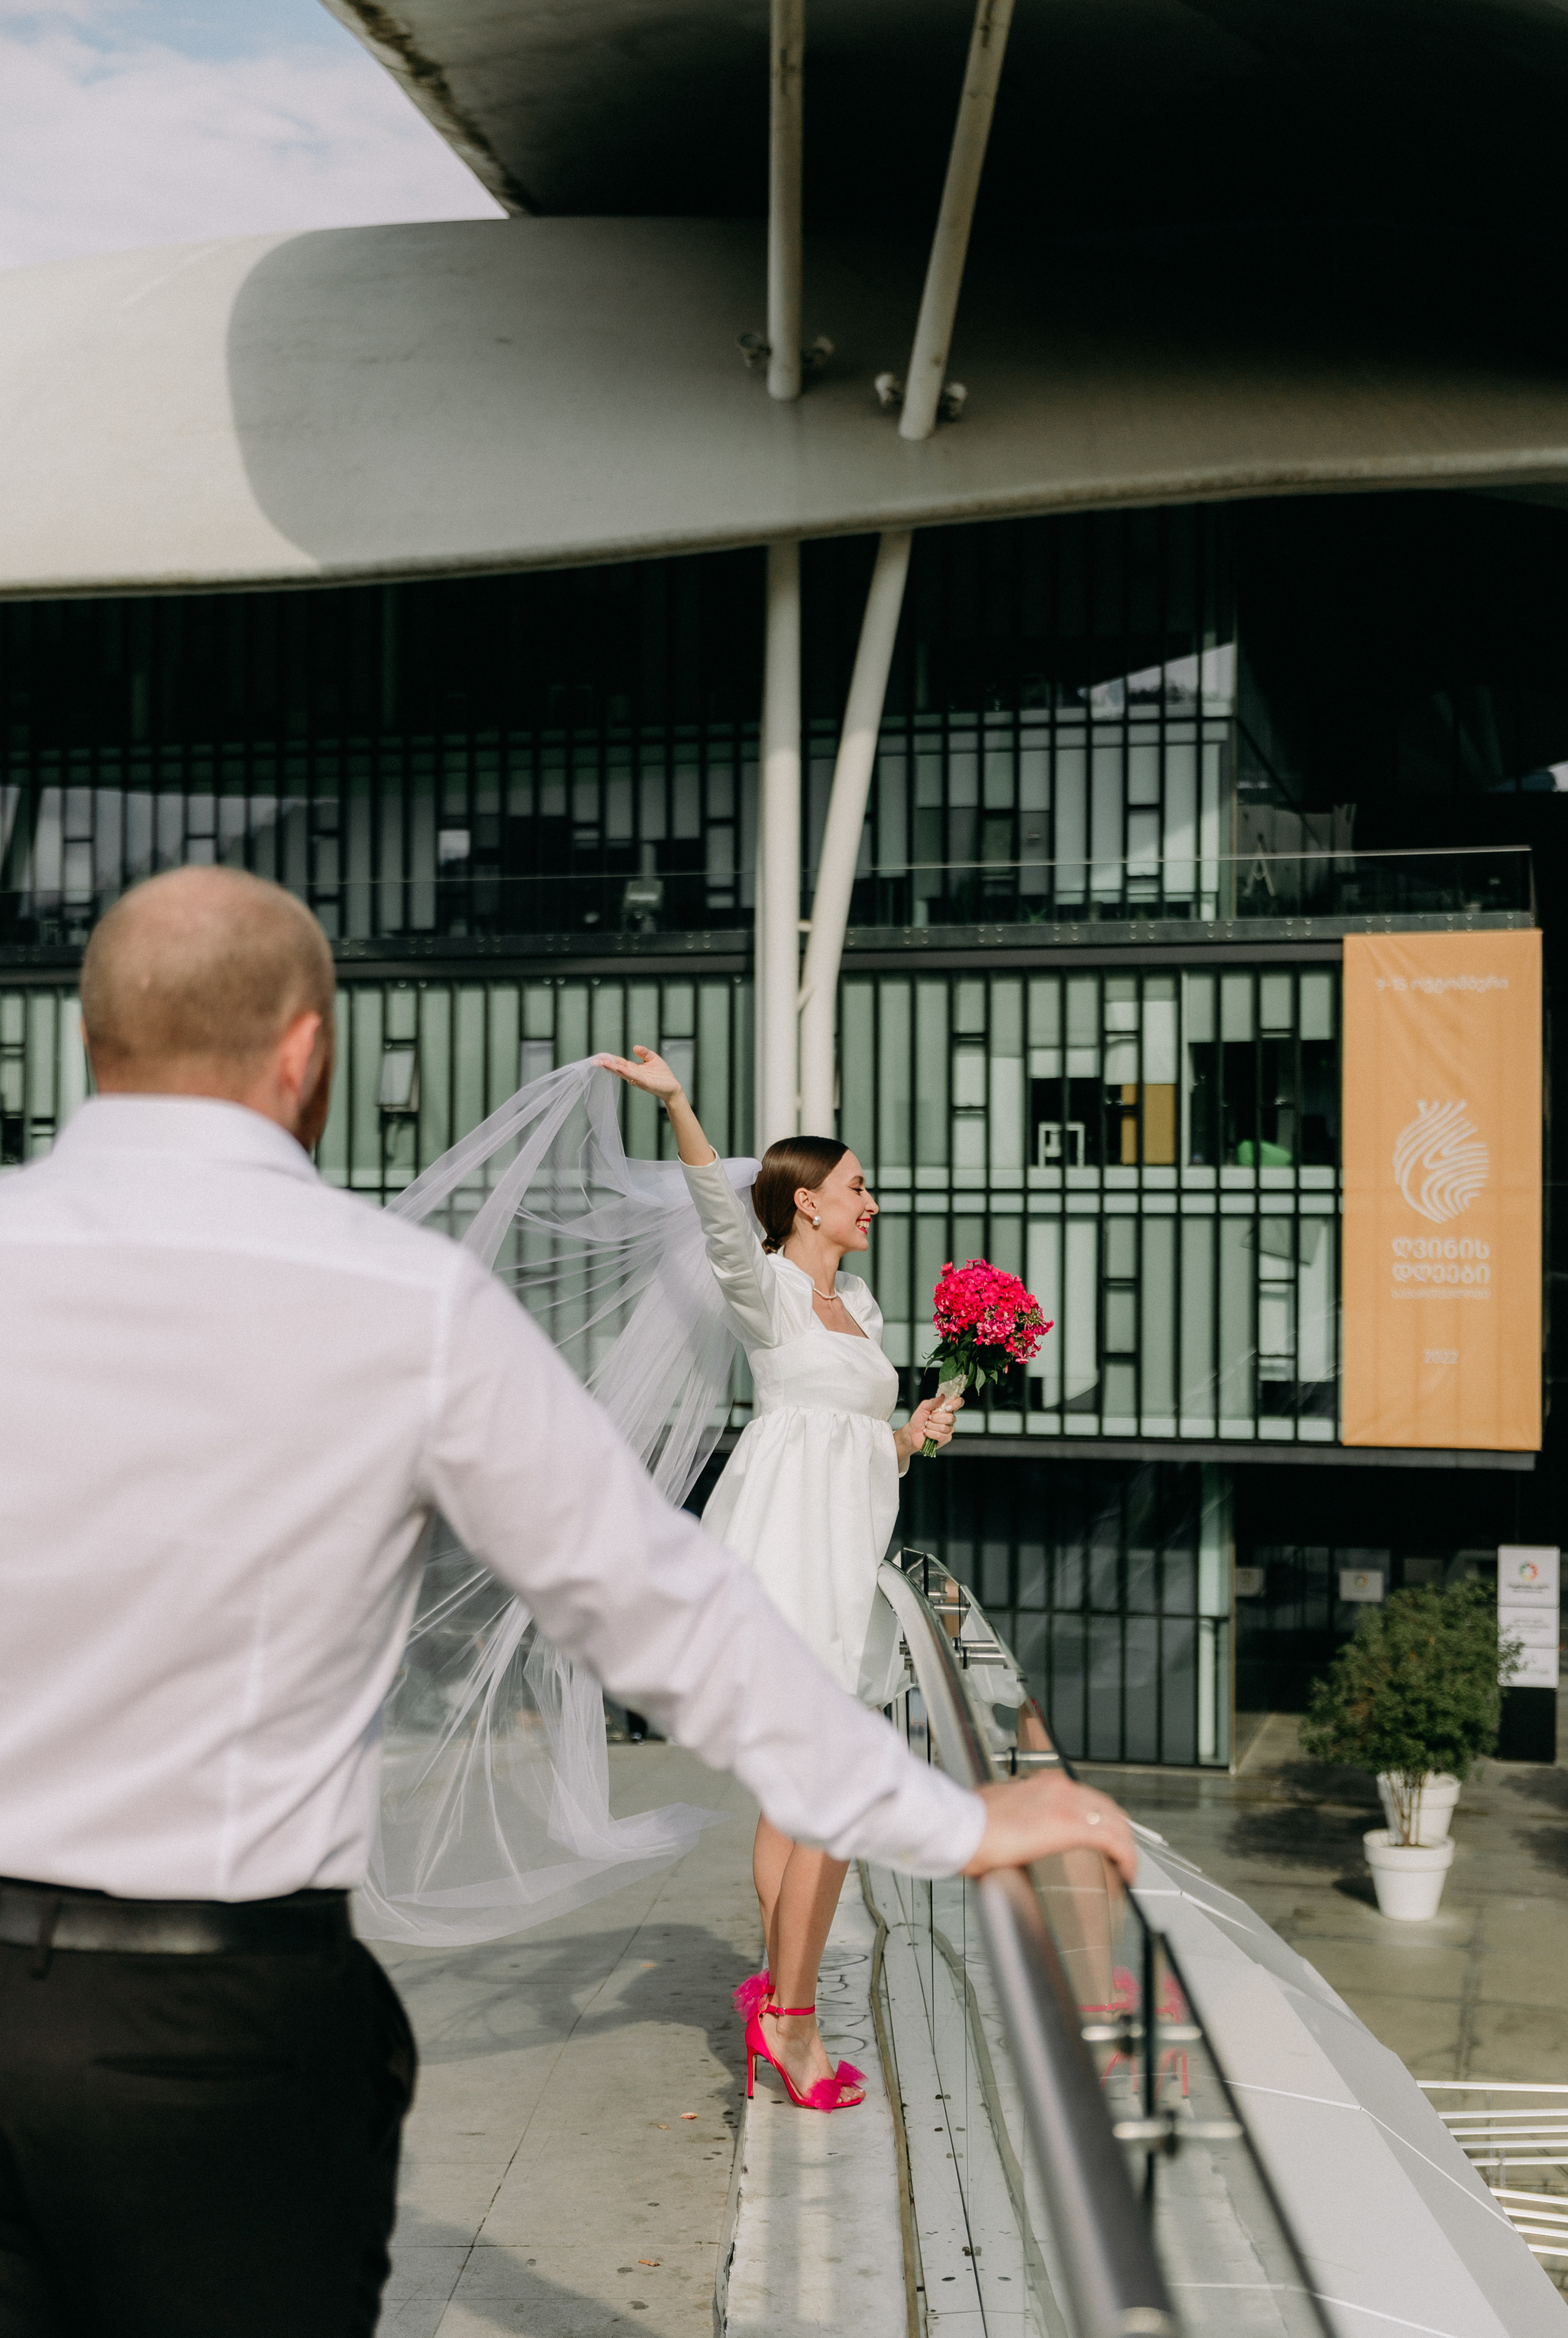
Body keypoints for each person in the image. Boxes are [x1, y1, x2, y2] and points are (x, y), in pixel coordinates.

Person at [0, 864, 1136, 2337]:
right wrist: (958, 1818)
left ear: (91, 1047)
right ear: (305, 1056)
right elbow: (653, 1608)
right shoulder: (404, 1303)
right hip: (222, 2032)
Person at [598, 1046, 963, 2112]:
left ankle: (781, 1999)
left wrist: (911, 1435)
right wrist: (677, 1106)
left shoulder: (862, 1305)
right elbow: (718, 1206)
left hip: (850, 1548)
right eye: (858, 1187)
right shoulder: (767, 1293)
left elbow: (858, 1441)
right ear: (807, 1204)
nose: (874, 1202)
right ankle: (793, 2022)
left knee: (795, 1806)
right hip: (782, 1556)